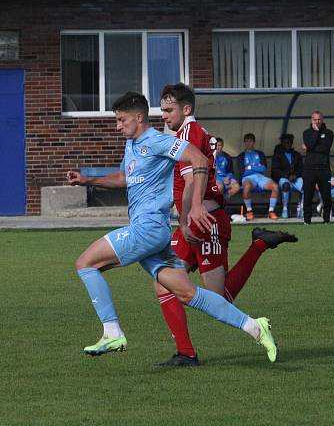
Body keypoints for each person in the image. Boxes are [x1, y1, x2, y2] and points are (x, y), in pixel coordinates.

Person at [66, 91, 278, 363]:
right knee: (187, 293)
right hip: (155, 235)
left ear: (139, 117)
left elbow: (199, 159)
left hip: (148, 229)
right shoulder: (132, 144)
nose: (117, 126)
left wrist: (198, 204)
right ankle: (254, 326)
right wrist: (85, 181)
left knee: (85, 263)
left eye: (121, 120)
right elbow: (124, 177)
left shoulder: (157, 140)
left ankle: (112, 331)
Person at [153, 83, 296, 366]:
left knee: (219, 301)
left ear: (186, 109)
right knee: (163, 282)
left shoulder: (190, 132)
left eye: (168, 110)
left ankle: (258, 244)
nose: (163, 116)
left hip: (205, 221)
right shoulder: (185, 133)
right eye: (162, 110)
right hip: (194, 218)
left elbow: (195, 179)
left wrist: (184, 220)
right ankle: (186, 353)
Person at [235, 133, 279, 220]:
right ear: (244, 143)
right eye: (246, 141)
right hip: (248, 178)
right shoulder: (241, 156)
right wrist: (256, 166)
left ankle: (271, 211)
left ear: (254, 142)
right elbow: (242, 171)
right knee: (246, 187)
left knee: (275, 186)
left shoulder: (260, 153)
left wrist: (250, 167)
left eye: (250, 141)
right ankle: (249, 211)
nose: (248, 143)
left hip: (260, 177)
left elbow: (263, 168)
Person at [301, 111, 334, 224]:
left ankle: (326, 220)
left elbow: (325, 148)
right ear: (311, 120)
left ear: (322, 120)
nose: (317, 121)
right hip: (309, 169)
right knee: (308, 196)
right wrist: (316, 133)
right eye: (315, 119)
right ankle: (307, 220)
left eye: (319, 119)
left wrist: (310, 147)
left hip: (324, 169)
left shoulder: (329, 133)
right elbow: (310, 145)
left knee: (326, 196)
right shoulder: (306, 132)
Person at [271, 133, 302, 218]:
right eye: (285, 142)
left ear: (292, 143)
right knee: (286, 185)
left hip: (295, 178)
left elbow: (301, 168)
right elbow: (275, 170)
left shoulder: (296, 155)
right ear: (282, 143)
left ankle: (302, 208)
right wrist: (287, 176)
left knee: (306, 186)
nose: (287, 144)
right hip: (283, 178)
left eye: (289, 142)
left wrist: (295, 175)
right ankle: (285, 210)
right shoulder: (277, 155)